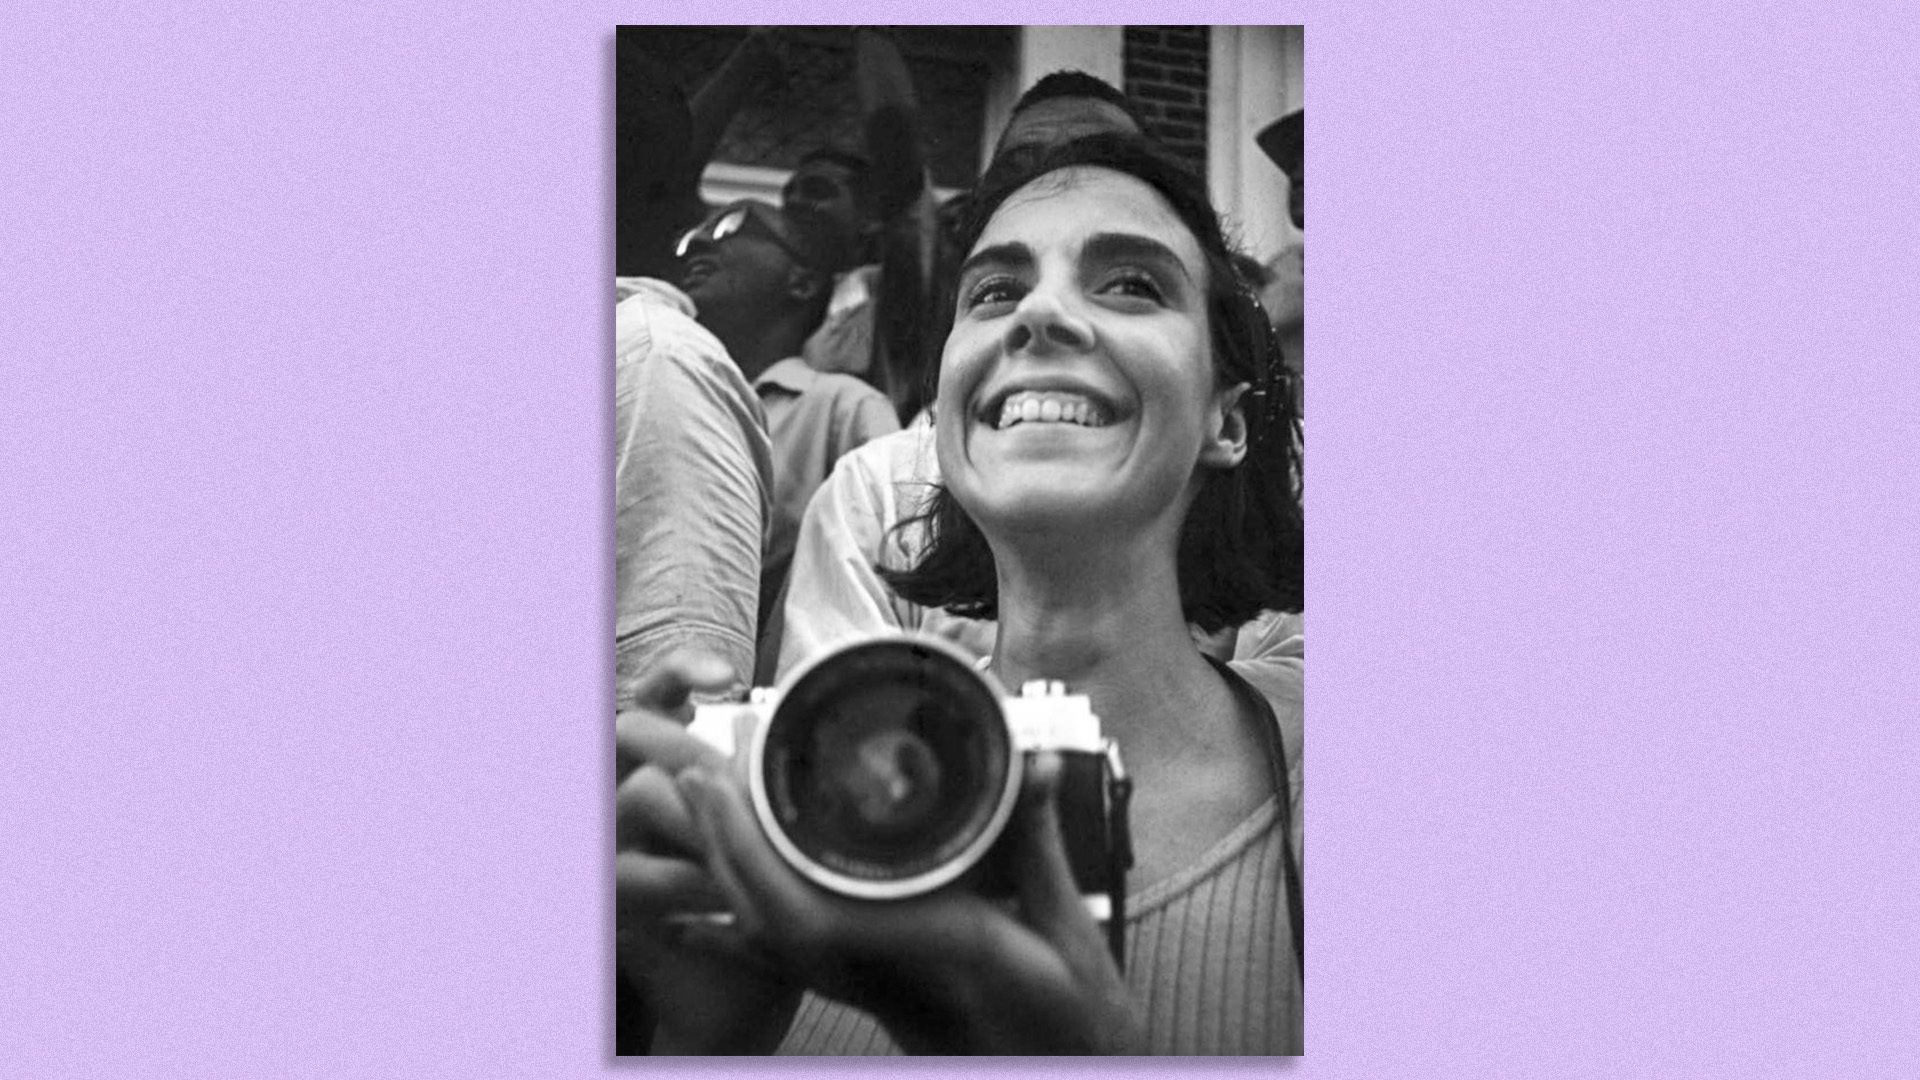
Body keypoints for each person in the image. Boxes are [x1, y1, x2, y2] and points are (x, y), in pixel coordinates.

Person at [618, 133, 1305, 1055]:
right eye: (993, 292)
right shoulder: (791, 799)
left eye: (1133, 284)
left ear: (1227, 419)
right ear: (942, 417)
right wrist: (708, 1042)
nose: (1043, 316)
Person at [674, 199, 900, 668]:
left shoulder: (844, 407)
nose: (699, 240)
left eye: (733, 225)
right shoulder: (671, 390)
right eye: (701, 227)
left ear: (802, 282)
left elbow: (891, 560)